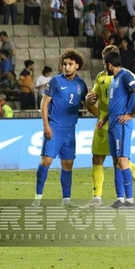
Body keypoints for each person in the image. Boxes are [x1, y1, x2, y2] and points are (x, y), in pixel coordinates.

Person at [83, 45, 135, 209]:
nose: (104, 64)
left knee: (123, 161)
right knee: (110, 160)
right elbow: (107, 104)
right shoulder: (108, 79)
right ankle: (115, 199)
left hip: (121, 124)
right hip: (109, 124)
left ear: (110, 61)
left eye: (105, 60)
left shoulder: (125, 76)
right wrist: (102, 116)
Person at [32, 49, 96, 208]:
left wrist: (99, 112)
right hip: (54, 127)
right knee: (45, 161)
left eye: (70, 64)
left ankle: (66, 200)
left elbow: (86, 105)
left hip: (70, 130)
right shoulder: (55, 81)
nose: (66, 67)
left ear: (77, 66)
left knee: (67, 165)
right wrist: (46, 125)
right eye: (64, 64)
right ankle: (38, 197)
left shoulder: (81, 84)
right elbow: (44, 104)